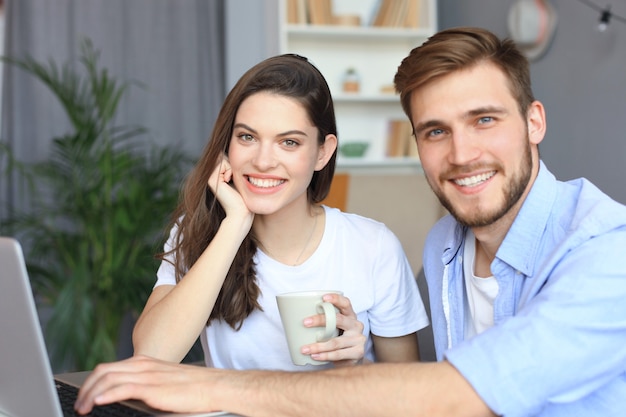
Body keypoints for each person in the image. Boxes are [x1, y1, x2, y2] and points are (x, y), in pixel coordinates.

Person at [75, 27, 626, 417]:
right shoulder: (447, 245)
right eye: (435, 131)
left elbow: (453, 396)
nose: (462, 153)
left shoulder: (608, 253)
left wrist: (215, 387)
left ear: (534, 122)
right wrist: (233, 225)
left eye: (484, 120)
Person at [129, 53, 428, 372]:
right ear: (227, 146)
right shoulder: (200, 230)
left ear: (322, 152)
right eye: (247, 137)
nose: (263, 161)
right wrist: (235, 225)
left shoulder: (374, 246)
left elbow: (407, 393)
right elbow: (150, 356)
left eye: (288, 142)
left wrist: (353, 365)